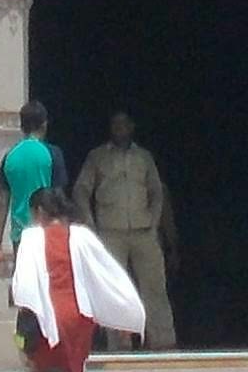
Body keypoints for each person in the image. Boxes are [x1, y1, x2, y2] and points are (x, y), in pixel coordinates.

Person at [11, 192, 144, 372]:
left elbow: (24, 284)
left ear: (39, 212)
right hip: (79, 318)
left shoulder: (31, 238)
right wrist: (124, 313)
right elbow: (107, 273)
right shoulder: (82, 236)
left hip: (44, 319)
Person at [72, 116, 179, 350]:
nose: (119, 129)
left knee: (154, 288)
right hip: (110, 232)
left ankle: (163, 341)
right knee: (115, 290)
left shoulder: (144, 157)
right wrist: (90, 225)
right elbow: (81, 190)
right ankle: (119, 343)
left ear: (132, 127)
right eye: (115, 124)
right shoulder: (97, 157)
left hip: (143, 231)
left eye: (124, 124)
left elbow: (156, 190)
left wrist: (153, 220)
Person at [0, 99, 61, 240]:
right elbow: (58, 195)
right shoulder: (52, 153)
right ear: (44, 125)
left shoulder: (10, 157)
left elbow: (3, 202)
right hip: (47, 232)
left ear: (22, 127)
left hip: (20, 234)